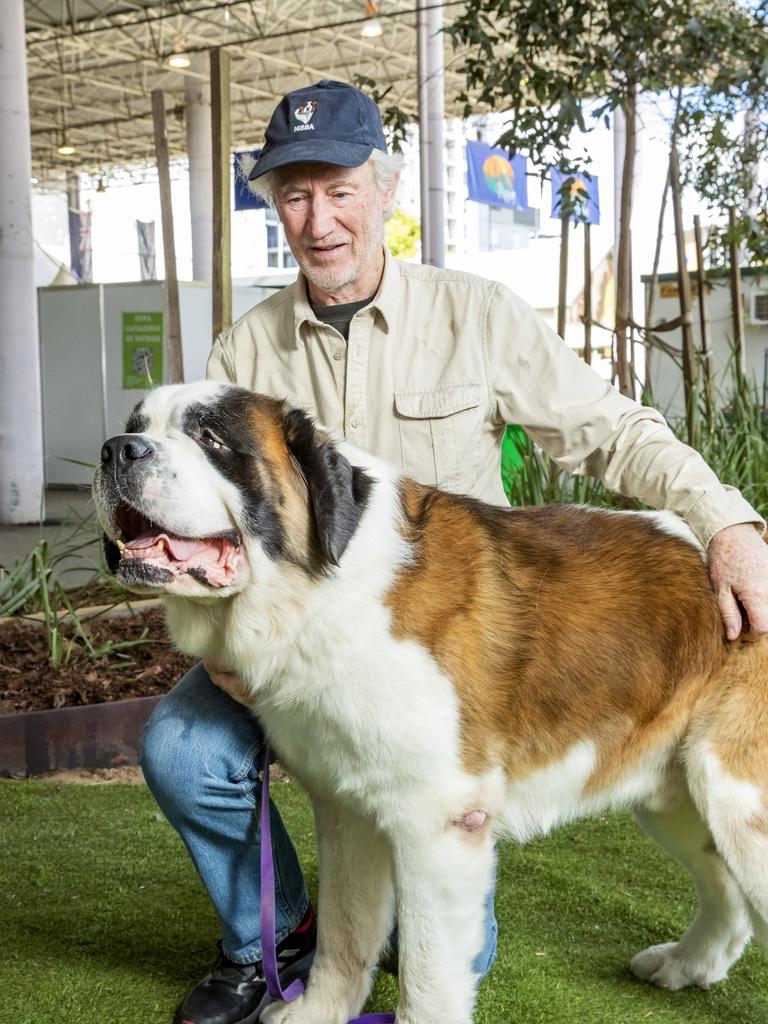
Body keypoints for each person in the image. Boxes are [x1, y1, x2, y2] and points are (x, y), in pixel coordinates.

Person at [140, 79, 768, 1024]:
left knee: (462, 872)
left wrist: (728, 524)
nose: (319, 220)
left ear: (385, 192)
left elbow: (613, 433)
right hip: (284, 655)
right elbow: (204, 527)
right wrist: (231, 656)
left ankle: (716, 932)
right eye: (296, 194)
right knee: (184, 748)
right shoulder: (245, 353)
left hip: (442, 665)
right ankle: (271, 943)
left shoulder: (477, 314)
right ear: (276, 207)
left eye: (340, 189)